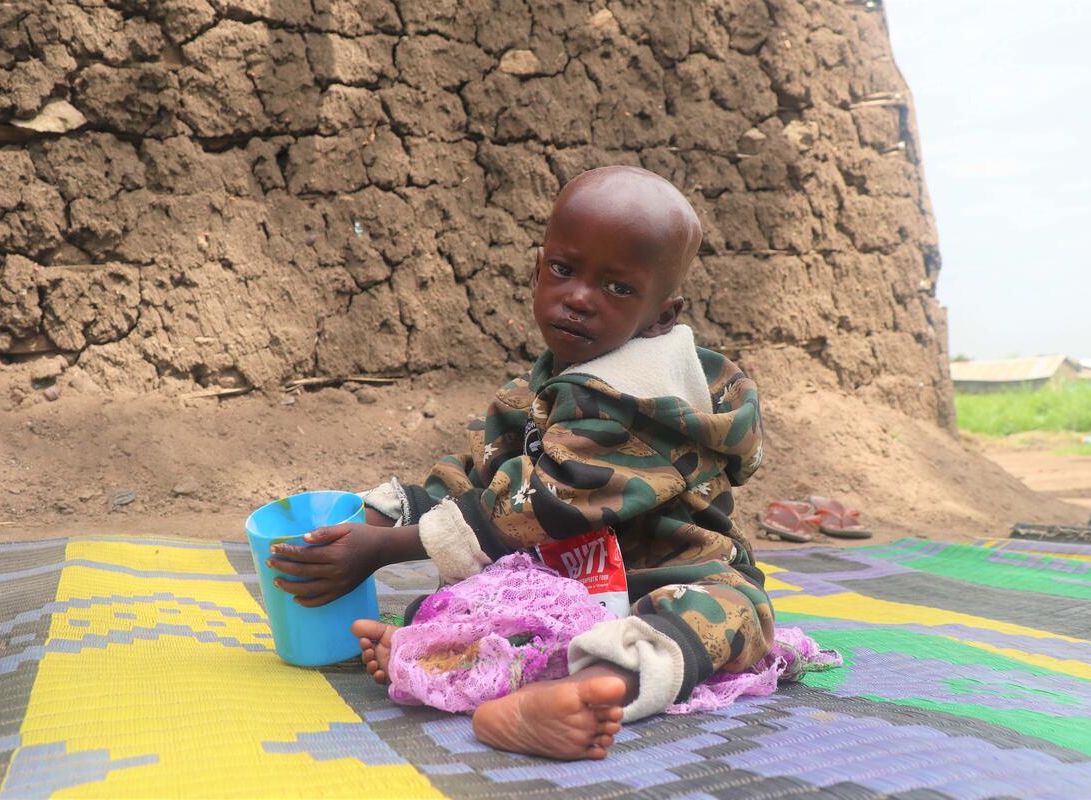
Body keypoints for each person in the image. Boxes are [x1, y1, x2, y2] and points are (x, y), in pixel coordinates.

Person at [269, 166, 774, 760]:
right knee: (459, 600)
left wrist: (381, 550)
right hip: (565, 582)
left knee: (733, 614)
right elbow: (480, 477)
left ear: (662, 315)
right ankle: (457, 661)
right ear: (537, 270)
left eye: (617, 288)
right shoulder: (533, 391)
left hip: (662, 576)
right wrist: (377, 516)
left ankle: (584, 691)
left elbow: (537, 507)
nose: (580, 297)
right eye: (563, 270)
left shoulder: (640, 403)